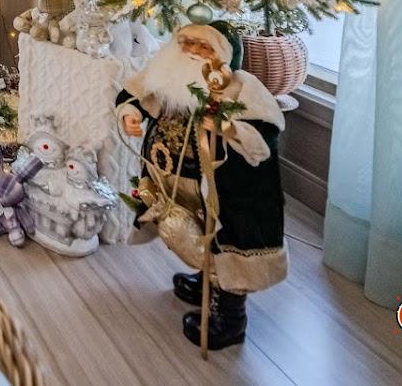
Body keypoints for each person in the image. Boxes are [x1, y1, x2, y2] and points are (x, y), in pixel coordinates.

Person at [116, 23, 287, 349]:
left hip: (222, 191)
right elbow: (135, 93)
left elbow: (264, 135)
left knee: (223, 242)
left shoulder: (240, 88)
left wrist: (228, 127)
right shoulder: (170, 74)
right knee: (193, 235)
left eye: (204, 47)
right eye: (187, 43)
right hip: (176, 186)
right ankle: (206, 281)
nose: (193, 52)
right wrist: (130, 114)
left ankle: (230, 317)